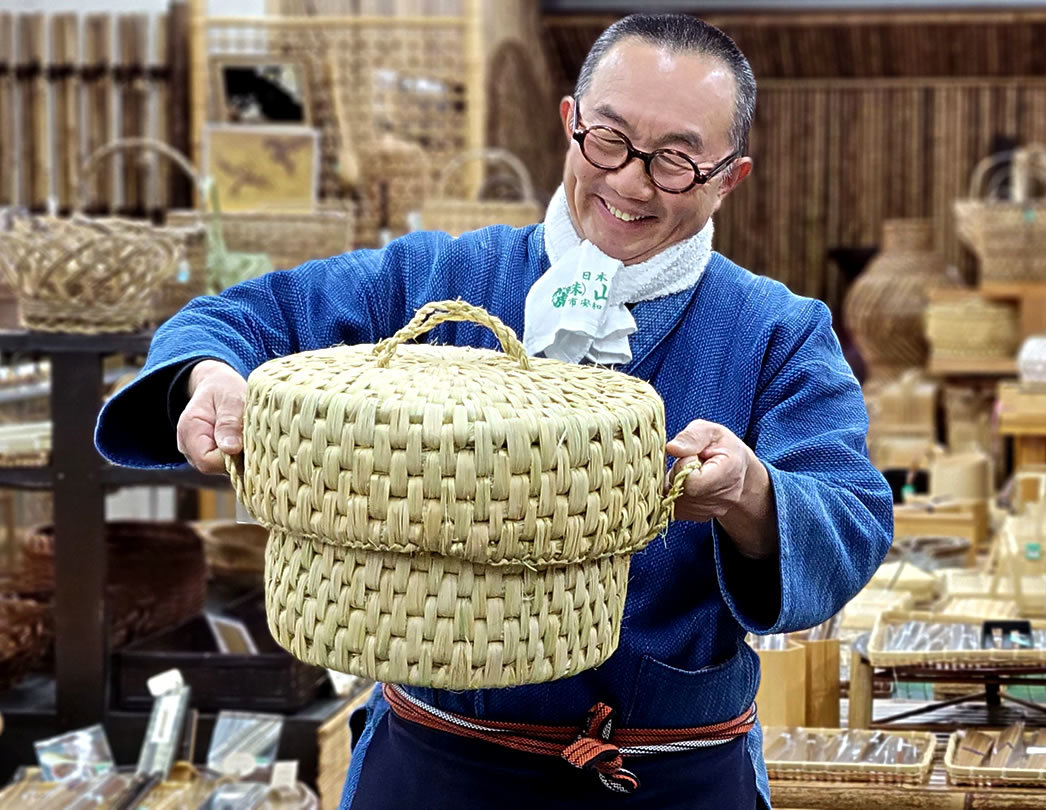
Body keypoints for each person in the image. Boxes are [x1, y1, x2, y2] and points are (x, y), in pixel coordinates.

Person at [96, 13, 892, 810]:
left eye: (676, 160)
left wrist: (750, 493)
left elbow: (850, 516)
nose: (630, 181)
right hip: (438, 764)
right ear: (569, 123)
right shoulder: (437, 278)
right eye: (607, 140)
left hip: (666, 775)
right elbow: (231, 320)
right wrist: (211, 379)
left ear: (730, 177)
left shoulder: (776, 332)